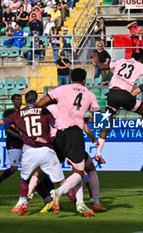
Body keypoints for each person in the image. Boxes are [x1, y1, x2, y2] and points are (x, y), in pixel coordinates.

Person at [0, 90, 66, 216]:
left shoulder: (18, 114)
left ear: (25, 100)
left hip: (29, 150)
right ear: (36, 99)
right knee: (50, 178)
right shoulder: (44, 111)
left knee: (26, 178)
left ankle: (24, 201)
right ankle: (72, 201)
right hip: (46, 149)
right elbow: (58, 125)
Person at [35, 68, 101, 217]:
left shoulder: (62, 89)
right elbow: (97, 116)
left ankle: (80, 203)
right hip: (75, 134)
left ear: (71, 78)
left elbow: (41, 103)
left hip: (60, 135)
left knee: (45, 168)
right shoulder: (90, 94)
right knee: (78, 172)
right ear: (85, 80)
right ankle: (60, 191)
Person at [91, 52, 143, 164]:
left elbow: (102, 66)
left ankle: (98, 153)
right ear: (140, 59)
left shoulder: (121, 61)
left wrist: (96, 60)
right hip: (125, 95)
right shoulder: (140, 65)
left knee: (107, 123)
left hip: (112, 94)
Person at [0, 94, 23, 195]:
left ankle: (32, 187)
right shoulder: (9, 113)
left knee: (30, 165)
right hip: (13, 143)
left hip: (24, 143)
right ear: (12, 101)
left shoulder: (23, 113)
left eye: (20, 99)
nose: (19, 101)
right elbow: (7, 130)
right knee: (14, 168)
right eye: (17, 99)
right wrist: (19, 137)